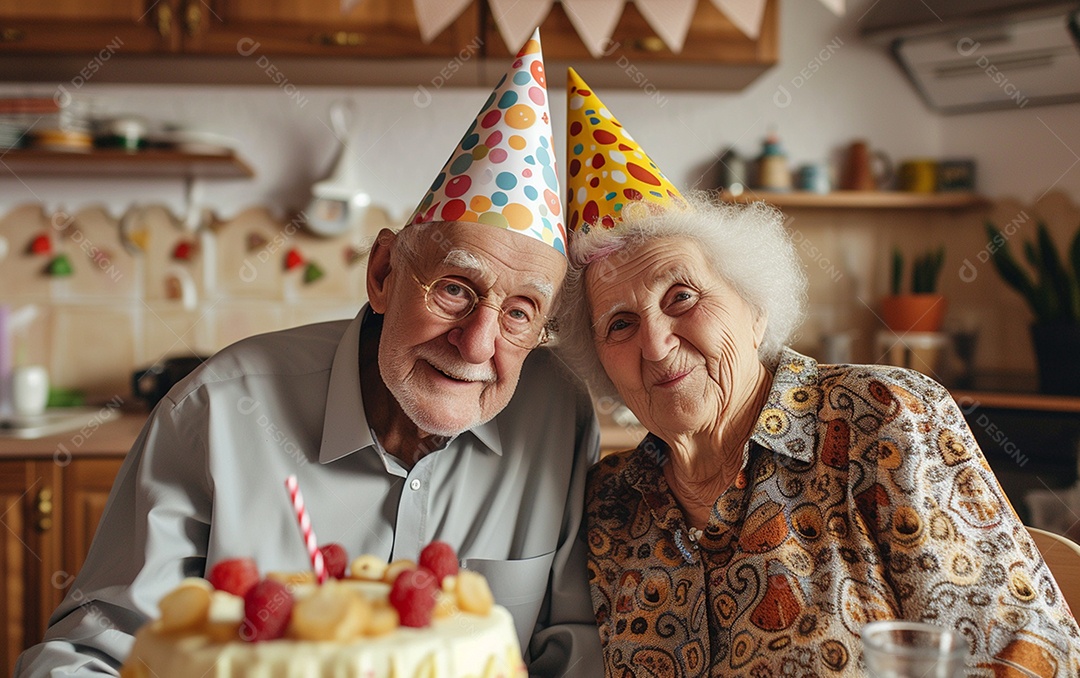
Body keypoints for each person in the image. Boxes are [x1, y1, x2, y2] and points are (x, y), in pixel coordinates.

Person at [16, 32, 602, 678]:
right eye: (456, 289)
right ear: (383, 273)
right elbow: (89, 655)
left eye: (520, 313)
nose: (477, 344)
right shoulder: (216, 411)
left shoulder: (558, 418)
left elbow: (572, 653)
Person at [558, 69, 1080, 677]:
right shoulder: (609, 506)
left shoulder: (881, 417)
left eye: (681, 297)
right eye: (619, 324)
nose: (654, 341)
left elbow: (1029, 655)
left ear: (754, 308)